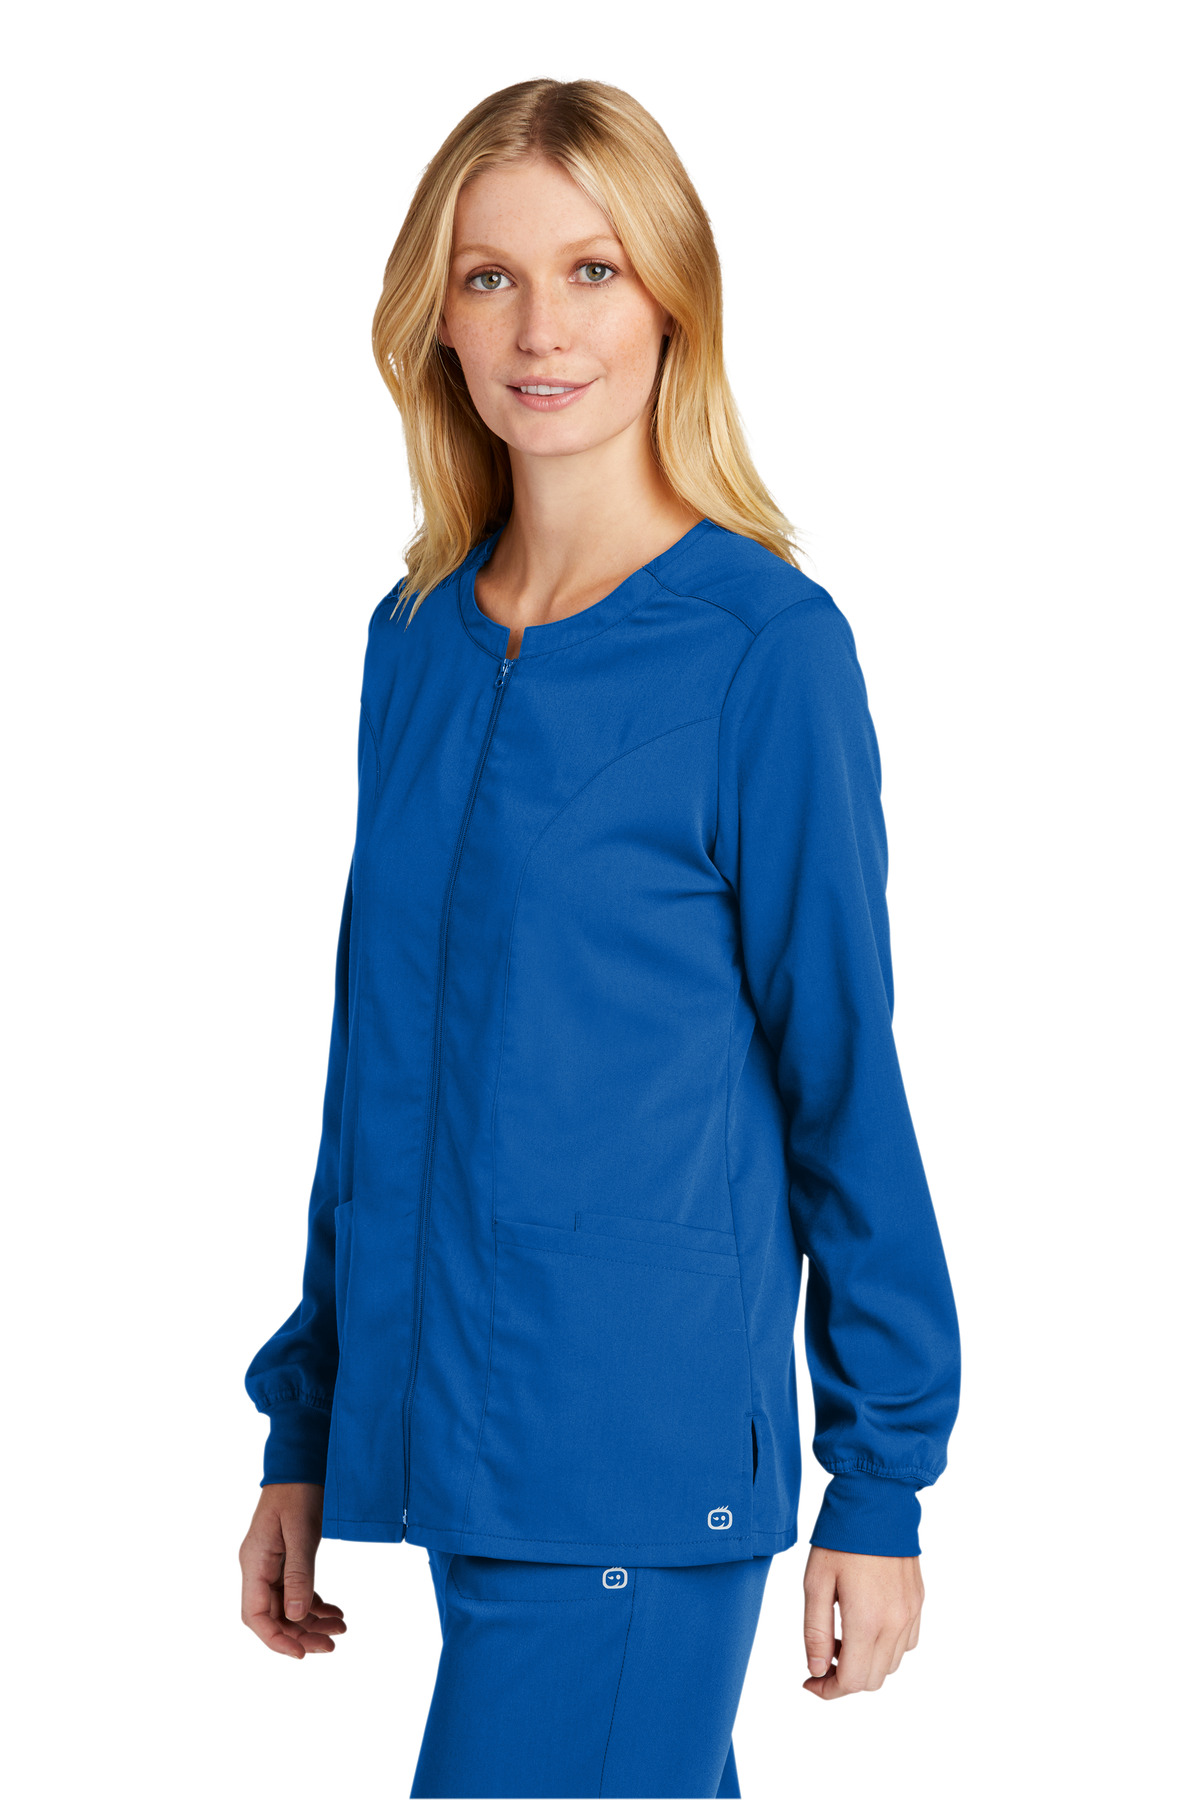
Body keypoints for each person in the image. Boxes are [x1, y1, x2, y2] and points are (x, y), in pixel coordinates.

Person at [239, 77, 961, 1799]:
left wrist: (881, 1480)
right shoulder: (415, 640)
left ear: (673, 300)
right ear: (436, 315)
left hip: (636, 1466)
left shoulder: (763, 653)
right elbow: (377, 1071)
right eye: (489, 277)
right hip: (455, 1449)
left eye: (593, 271)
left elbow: (843, 1081)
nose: (540, 329)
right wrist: (306, 1423)